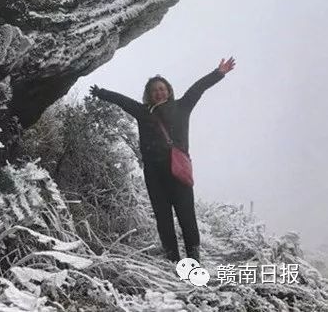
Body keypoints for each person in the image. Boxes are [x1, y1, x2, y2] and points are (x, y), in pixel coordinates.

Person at [89, 57, 237, 262]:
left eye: (162, 88)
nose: (159, 92)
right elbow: (123, 101)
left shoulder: (182, 106)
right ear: (149, 95)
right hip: (154, 174)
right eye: (154, 90)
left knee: (187, 218)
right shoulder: (143, 112)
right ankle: (173, 261)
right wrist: (101, 93)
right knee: (163, 220)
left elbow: (198, 88)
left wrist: (218, 73)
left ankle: (194, 261)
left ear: (168, 91)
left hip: (177, 171)